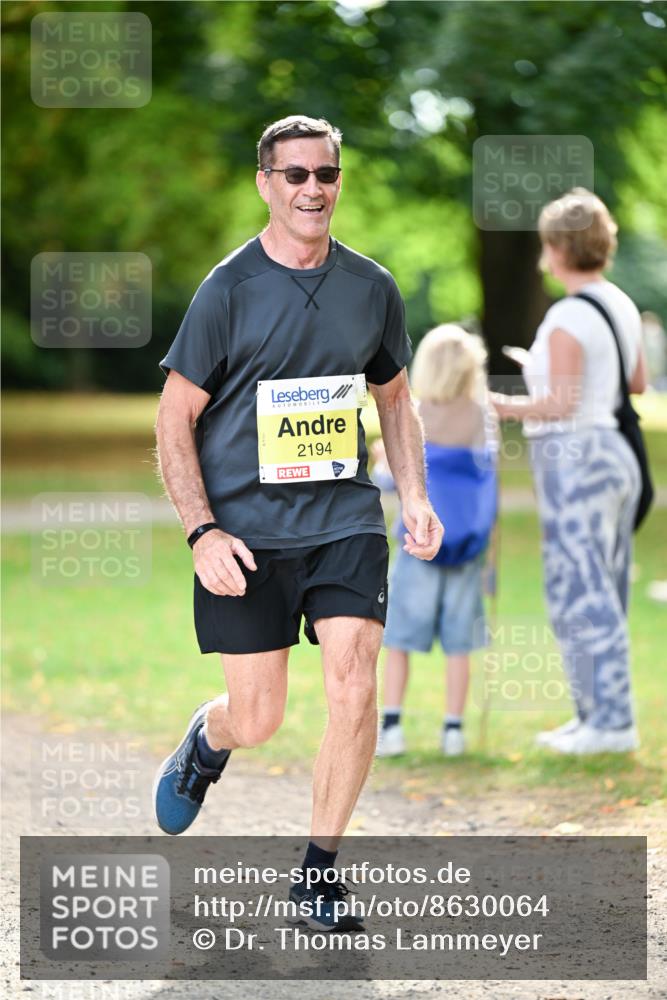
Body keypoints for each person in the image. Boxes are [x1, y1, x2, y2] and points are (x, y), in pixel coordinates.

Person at [152, 115, 443, 929]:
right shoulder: (228, 291)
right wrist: (202, 531)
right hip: (245, 532)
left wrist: (413, 496)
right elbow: (174, 419)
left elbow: (393, 397)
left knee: (355, 679)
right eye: (295, 176)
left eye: (326, 174)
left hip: (343, 518)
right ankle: (210, 742)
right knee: (261, 717)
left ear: (338, 181)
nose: (312, 188)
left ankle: (317, 874)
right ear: (265, 184)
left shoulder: (371, 287)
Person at [492, 188, 648, 755]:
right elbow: (633, 384)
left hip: (577, 460)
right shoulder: (620, 305)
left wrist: (500, 404)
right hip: (615, 455)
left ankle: (609, 723)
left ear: (556, 248)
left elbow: (559, 403)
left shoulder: (565, 314)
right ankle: (593, 717)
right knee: (601, 588)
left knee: (582, 594)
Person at [373, 325, 498, 758]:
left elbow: (391, 480)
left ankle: (391, 726)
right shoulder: (482, 417)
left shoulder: (417, 413)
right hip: (468, 545)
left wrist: (376, 460)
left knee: (401, 638)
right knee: (460, 643)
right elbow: (490, 484)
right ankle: (453, 730)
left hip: (417, 543)